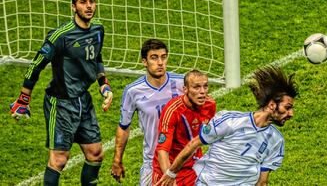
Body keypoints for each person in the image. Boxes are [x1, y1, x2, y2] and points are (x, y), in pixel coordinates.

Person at [9, 0, 113, 185]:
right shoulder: (60, 36)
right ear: (73, 7)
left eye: (91, 1)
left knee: (96, 154)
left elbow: (97, 57)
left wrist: (103, 84)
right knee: (59, 159)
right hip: (61, 103)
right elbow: (36, 65)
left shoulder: (98, 29)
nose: (88, 6)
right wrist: (24, 98)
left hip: (84, 100)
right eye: (83, 2)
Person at [156, 65, 299, 186]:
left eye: (205, 86)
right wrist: (170, 173)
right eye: (287, 107)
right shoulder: (230, 121)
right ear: (272, 105)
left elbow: (262, 182)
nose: (291, 113)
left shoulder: (276, 141)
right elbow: (193, 143)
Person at [111, 39, 184, 185]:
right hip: (152, 161)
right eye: (154, 58)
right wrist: (117, 159)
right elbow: (124, 126)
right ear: (144, 61)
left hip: (182, 159)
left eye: (163, 57)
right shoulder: (133, 91)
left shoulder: (182, 83)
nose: (160, 62)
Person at [152, 69, 216, 186]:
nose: (202, 92)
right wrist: (170, 176)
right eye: (196, 87)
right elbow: (162, 150)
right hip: (168, 167)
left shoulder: (210, 105)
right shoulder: (172, 110)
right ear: (185, 89)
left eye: (205, 87)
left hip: (193, 167)